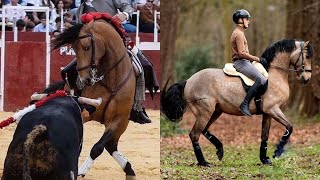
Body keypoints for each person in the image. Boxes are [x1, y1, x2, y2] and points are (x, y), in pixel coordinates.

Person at [62, 0, 155, 124]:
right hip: (92, 50)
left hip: (114, 44)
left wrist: (125, 15)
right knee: (69, 70)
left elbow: (127, 6)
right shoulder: (81, 7)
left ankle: (135, 107)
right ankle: (78, 101)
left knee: (143, 66)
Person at [231, 9, 267, 116]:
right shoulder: (239, 34)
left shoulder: (239, 32)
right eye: (247, 19)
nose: (248, 21)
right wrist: (257, 59)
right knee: (261, 79)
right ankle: (245, 104)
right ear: (241, 20)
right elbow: (241, 53)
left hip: (244, 62)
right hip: (241, 62)